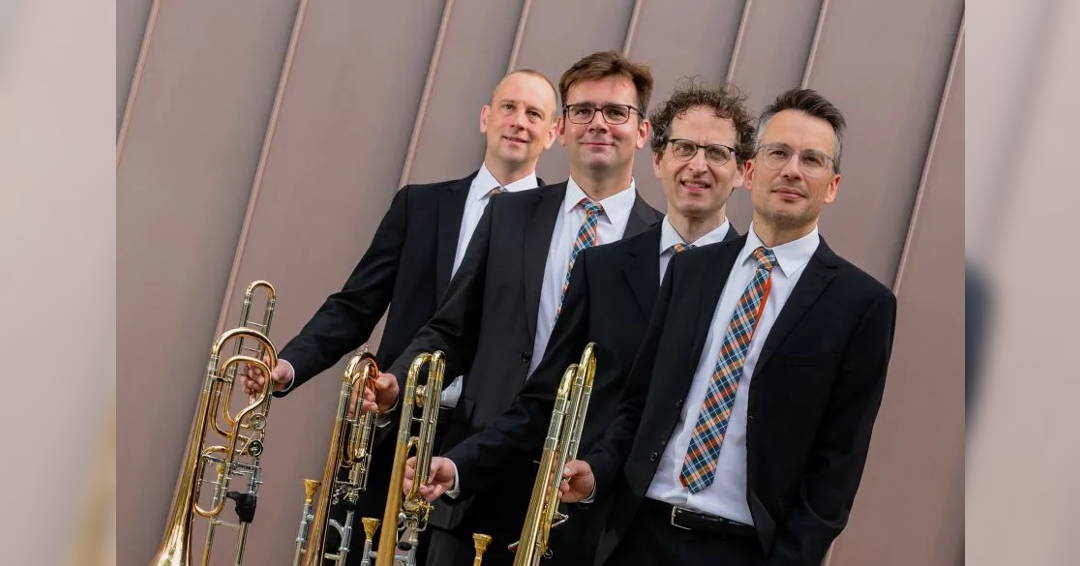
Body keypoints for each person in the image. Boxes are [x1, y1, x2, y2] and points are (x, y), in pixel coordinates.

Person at [404, 81, 756, 565]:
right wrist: (461, 464)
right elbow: (545, 394)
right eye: (683, 148)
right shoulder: (602, 267)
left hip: (675, 539)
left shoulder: (752, 286)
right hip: (576, 523)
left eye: (717, 152)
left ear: (742, 171)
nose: (698, 165)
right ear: (658, 160)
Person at [560, 88, 897, 566]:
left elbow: (837, 466)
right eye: (778, 153)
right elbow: (640, 406)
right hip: (638, 536)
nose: (792, 170)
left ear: (833, 185)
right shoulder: (691, 271)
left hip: (742, 551)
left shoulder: (861, 304)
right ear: (751, 171)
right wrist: (598, 470)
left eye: (812, 160)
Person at [239, 69, 559, 564]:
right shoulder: (420, 206)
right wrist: (289, 364)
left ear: (553, 133)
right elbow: (355, 305)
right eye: (509, 108)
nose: (519, 121)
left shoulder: (560, 229)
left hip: (488, 447)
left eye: (534, 114)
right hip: (393, 431)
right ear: (485, 117)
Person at [365, 51, 663, 566]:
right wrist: (400, 378)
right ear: (562, 129)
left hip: (580, 495)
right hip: (474, 474)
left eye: (616, 112)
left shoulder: (661, 245)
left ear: (642, 132)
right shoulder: (508, 215)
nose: (598, 124)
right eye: (583, 111)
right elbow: (452, 329)